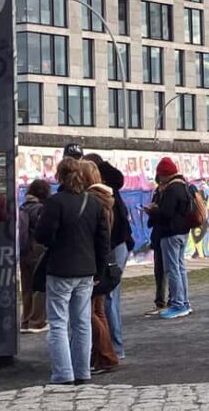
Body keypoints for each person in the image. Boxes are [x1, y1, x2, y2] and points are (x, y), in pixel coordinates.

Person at [35, 157, 110, 385]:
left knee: (58, 322)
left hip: (60, 268)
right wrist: (99, 270)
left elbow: (42, 235)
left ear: (59, 176)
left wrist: (56, 241)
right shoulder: (94, 203)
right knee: (82, 323)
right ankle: (82, 371)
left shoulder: (55, 202)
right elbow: (103, 241)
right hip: (87, 269)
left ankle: (63, 373)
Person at [83, 153, 134, 359]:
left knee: (108, 298)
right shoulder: (102, 192)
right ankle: (108, 347)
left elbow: (117, 178)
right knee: (103, 300)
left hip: (114, 245)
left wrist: (98, 163)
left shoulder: (103, 191)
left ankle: (113, 347)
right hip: (112, 245)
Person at [80, 160, 119, 374]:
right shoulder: (106, 198)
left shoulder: (92, 201)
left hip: (93, 261)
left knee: (87, 312)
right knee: (98, 310)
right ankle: (100, 356)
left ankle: (106, 355)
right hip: (103, 260)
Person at [148, 157, 191, 320]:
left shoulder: (171, 190)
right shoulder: (184, 186)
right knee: (180, 268)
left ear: (164, 174)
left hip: (170, 233)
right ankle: (184, 302)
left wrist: (153, 211)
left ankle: (178, 304)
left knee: (172, 269)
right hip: (183, 232)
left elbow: (166, 213)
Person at [18, 179, 51, 334]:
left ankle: (25, 320)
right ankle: (37, 321)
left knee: (26, 288)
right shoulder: (40, 209)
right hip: (37, 250)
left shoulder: (23, 207)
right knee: (39, 287)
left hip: (24, 251)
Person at [144, 180, 169, 317]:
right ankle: (161, 301)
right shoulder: (158, 194)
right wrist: (150, 212)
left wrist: (155, 212)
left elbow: (167, 215)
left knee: (169, 269)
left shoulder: (169, 194)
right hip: (158, 235)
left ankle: (171, 300)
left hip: (166, 235)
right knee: (159, 270)